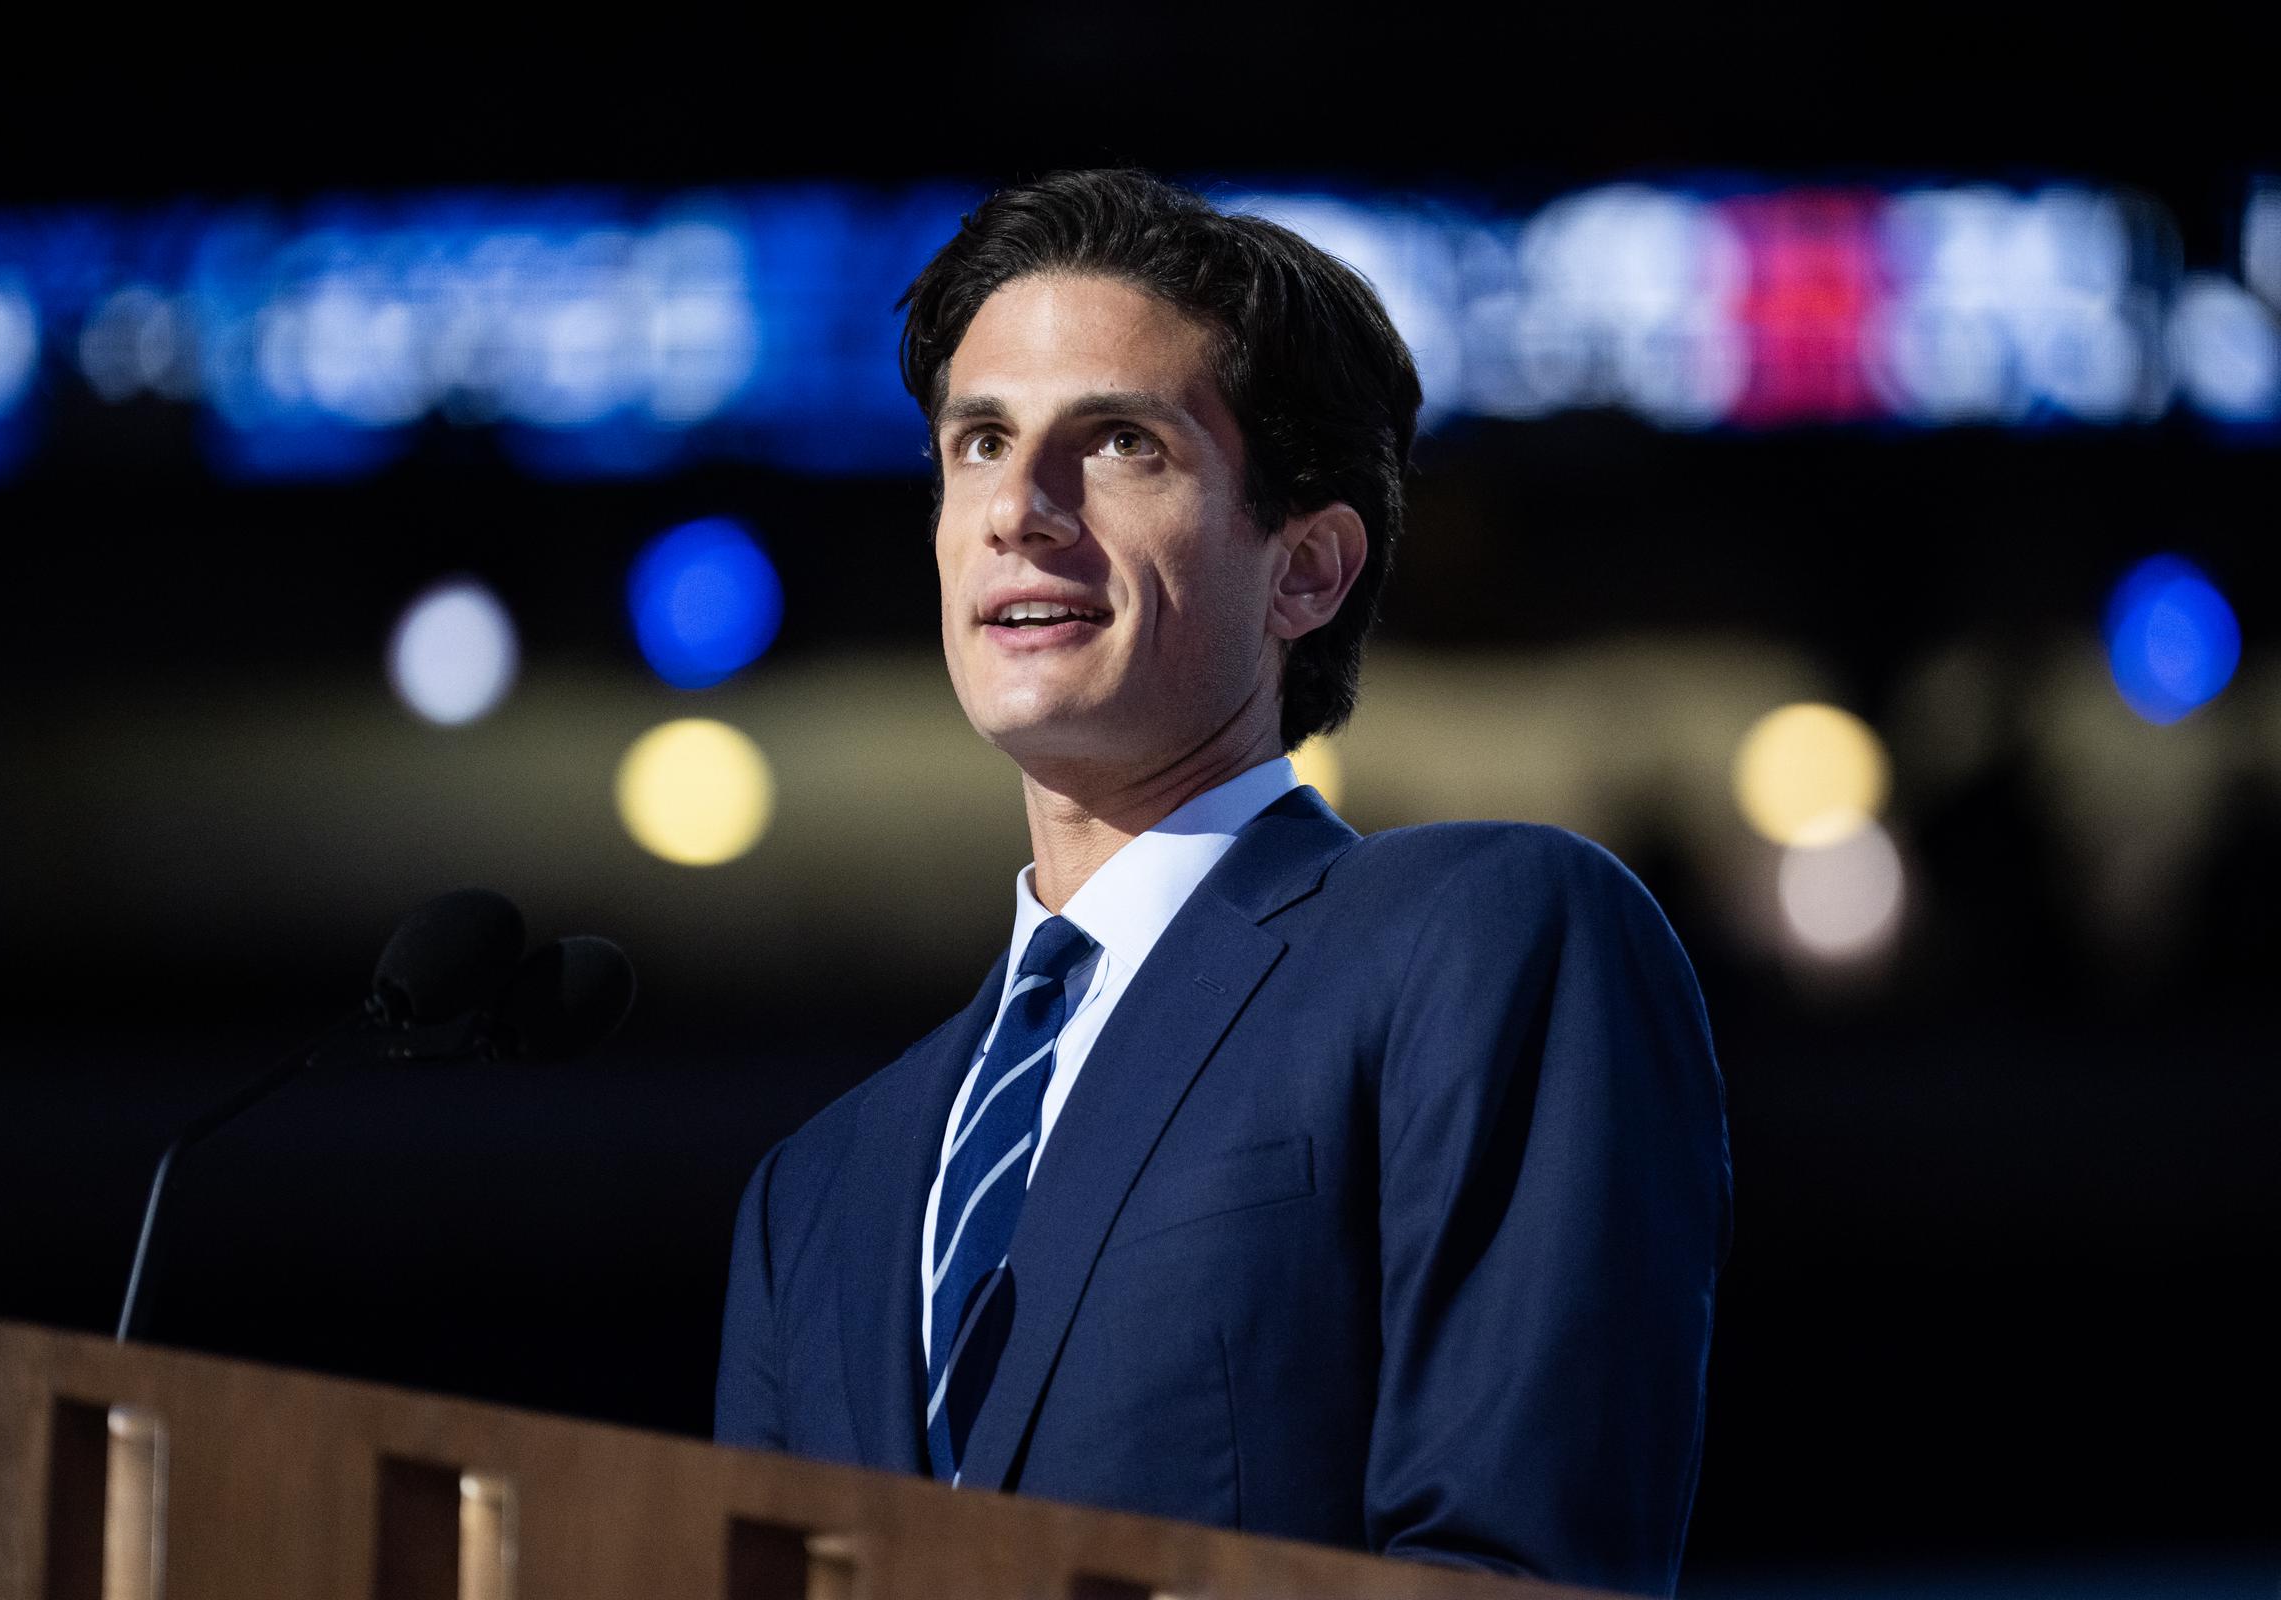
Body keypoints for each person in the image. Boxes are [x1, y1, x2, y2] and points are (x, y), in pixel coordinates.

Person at [713, 169, 1732, 1595]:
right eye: (980, 441)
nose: (1019, 508)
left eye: (1119, 441)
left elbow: (1511, 1567)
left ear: (1306, 568)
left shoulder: (1478, 940)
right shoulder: (812, 1193)